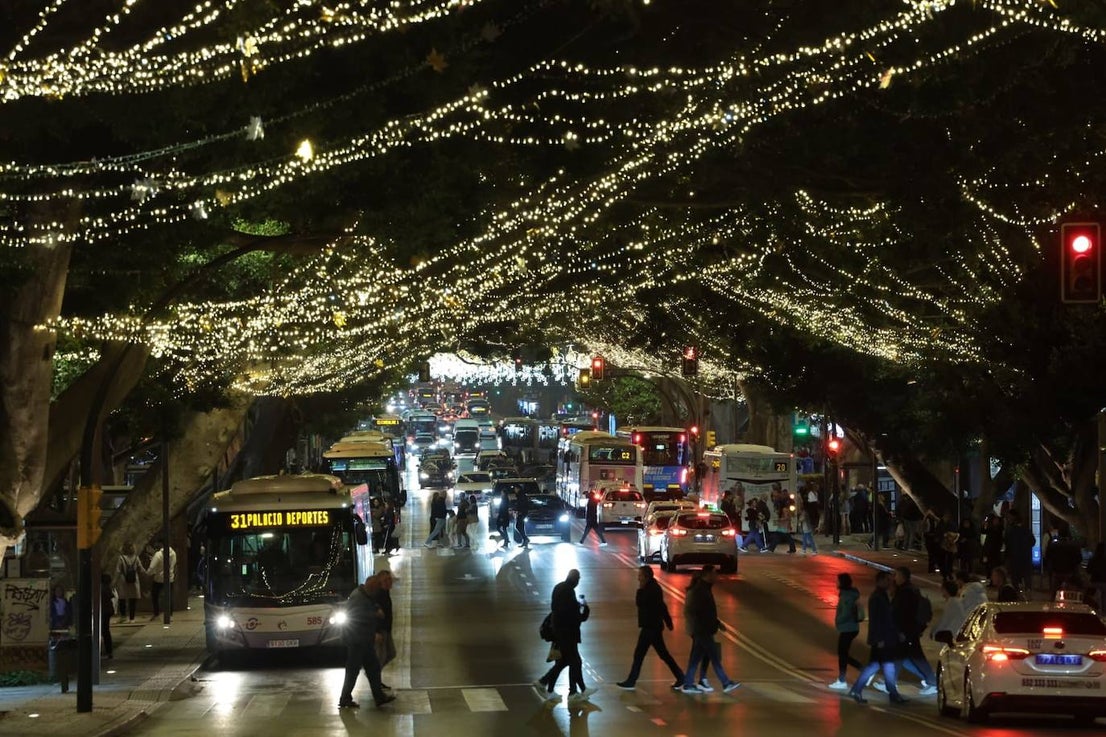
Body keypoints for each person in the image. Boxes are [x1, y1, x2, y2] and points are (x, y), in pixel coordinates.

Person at [616, 566, 685, 690]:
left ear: (646, 576)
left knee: (639, 654)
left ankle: (631, 681)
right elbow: (662, 606)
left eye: (640, 575)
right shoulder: (655, 588)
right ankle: (680, 676)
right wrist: (668, 621)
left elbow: (641, 602)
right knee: (663, 654)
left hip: (650, 627)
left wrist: (640, 590)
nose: (638, 577)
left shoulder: (649, 589)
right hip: (654, 627)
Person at [679, 565, 740, 694]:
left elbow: (707, 612)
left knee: (696, 658)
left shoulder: (704, 589)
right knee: (714, 657)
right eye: (714, 573)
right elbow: (700, 612)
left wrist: (717, 623)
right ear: (707, 575)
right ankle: (725, 682)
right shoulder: (700, 591)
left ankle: (689, 683)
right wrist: (707, 626)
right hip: (703, 630)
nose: (716, 576)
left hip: (703, 630)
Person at [338, 574, 395, 709]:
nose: (377, 591)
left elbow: (370, 604)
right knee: (353, 671)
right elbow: (358, 622)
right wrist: (373, 635)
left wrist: (375, 610)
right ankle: (345, 698)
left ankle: (379, 697)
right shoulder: (358, 599)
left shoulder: (364, 594)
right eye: (376, 588)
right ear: (371, 587)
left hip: (364, 642)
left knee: (373, 669)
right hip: (357, 641)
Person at [536, 569, 593, 702]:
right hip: (567, 633)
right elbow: (575, 616)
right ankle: (545, 683)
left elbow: (557, 608)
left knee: (565, 661)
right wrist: (584, 609)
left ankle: (573, 690)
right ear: (576, 579)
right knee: (573, 661)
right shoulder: (569, 592)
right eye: (578, 579)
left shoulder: (558, 587)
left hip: (557, 631)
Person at [848, 571, 906, 704]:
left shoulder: (882, 595)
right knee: (879, 666)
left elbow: (888, 618)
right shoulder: (877, 597)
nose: (890, 583)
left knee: (881, 666)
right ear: (880, 580)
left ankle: (891, 693)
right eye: (887, 580)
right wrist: (879, 639)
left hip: (885, 638)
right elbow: (877, 620)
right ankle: (890, 693)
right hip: (881, 639)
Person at [891, 567, 937, 695]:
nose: (895, 578)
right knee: (902, 657)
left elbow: (903, 613)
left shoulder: (906, 592)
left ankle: (933, 682)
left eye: (897, 575)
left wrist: (901, 631)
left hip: (907, 631)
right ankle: (891, 683)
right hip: (910, 630)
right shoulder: (909, 590)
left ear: (902, 577)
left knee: (915, 657)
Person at [828, 573, 864, 690]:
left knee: (842, 655)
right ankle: (847, 676)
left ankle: (843, 679)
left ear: (842, 583)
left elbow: (846, 613)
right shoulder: (849, 594)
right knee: (843, 654)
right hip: (851, 628)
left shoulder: (847, 596)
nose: (836, 583)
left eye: (837, 581)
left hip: (849, 628)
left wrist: (838, 620)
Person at [368, 570, 397, 688]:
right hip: (380, 630)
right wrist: (376, 632)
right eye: (385, 580)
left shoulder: (386, 593)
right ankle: (375, 680)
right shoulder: (378, 595)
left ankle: (374, 676)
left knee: (390, 654)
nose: (388, 582)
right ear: (380, 582)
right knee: (381, 657)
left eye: (389, 579)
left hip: (386, 629)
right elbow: (373, 614)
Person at [1003, 510, 1035, 593]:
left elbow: (1007, 544)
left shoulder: (1011, 531)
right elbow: (1033, 541)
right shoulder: (1026, 530)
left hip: (1015, 558)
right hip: (1025, 557)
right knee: (1026, 576)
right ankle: (1028, 592)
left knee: (1015, 578)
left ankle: (1016, 594)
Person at [929, 579, 967, 644]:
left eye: (942, 590)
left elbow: (945, 621)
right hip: (956, 632)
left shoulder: (952, 603)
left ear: (946, 591)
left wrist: (934, 632)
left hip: (953, 633)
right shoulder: (955, 601)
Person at [146, 540, 177, 619]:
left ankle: (156, 613)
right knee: (169, 597)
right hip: (170, 578)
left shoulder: (158, 554)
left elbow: (152, 567)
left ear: (161, 544)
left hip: (158, 579)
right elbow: (173, 565)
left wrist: (148, 573)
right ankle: (170, 615)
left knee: (155, 596)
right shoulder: (173, 553)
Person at [114, 541, 142, 623]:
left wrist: (114, 581)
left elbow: (118, 570)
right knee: (132, 599)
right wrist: (147, 573)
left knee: (122, 599)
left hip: (123, 580)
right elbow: (140, 569)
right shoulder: (136, 558)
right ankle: (132, 618)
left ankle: (123, 617)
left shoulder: (121, 558)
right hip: (134, 580)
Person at [980, 514, 1004, 580]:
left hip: (994, 551)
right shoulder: (991, 528)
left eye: (996, 520)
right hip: (988, 550)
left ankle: (993, 579)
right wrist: (984, 525)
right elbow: (983, 531)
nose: (994, 522)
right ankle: (990, 579)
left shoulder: (998, 529)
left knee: (993, 566)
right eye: (994, 520)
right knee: (988, 566)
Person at [100, 573, 115, 659]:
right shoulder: (107, 588)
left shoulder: (102, 588)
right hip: (107, 611)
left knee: (104, 631)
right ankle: (109, 651)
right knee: (106, 631)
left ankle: (107, 650)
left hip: (104, 611)